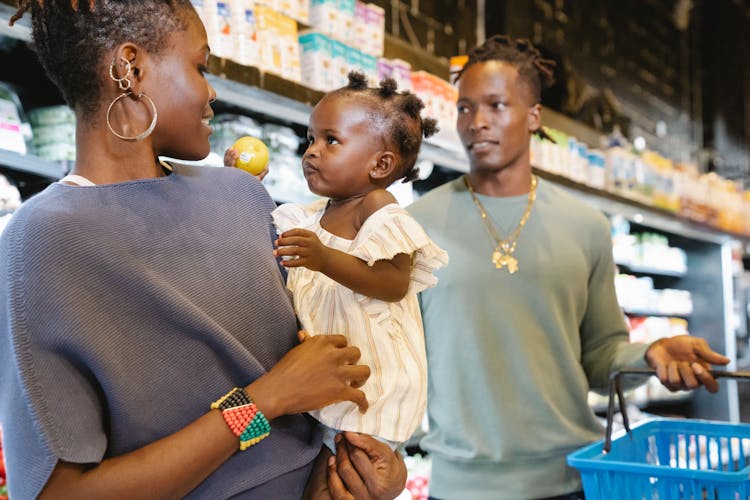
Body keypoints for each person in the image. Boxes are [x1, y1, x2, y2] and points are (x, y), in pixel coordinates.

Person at [0, 1, 406, 499]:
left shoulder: (242, 196)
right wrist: (261, 402)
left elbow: (303, 401)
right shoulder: (44, 240)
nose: (211, 92)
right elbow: (58, 493)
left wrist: (348, 474)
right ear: (131, 68)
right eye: (201, 67)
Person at [407, 34, 731, 500]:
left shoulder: (586, 227)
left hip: (571, 482)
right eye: (464, 107)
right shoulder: (417, 226)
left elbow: (601, 356)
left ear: (534, 117)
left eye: (496, 105)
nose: (476, 122)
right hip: (459, 486)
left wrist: (649, 353)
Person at [258, 71, 448, 452]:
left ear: (379, 166)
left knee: (340, 481)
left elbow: (394, 283)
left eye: (332, 141)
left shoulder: (376, 207)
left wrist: (325, 258)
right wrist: (246, 184)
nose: (312, 151)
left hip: (373, 393)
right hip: (330, 387)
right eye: (311, 139)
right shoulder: (314, 215)